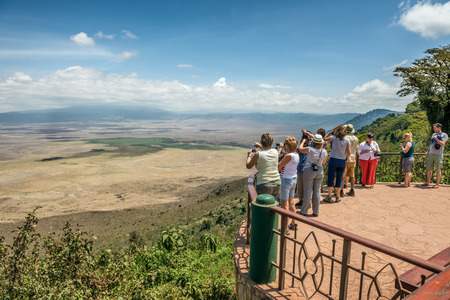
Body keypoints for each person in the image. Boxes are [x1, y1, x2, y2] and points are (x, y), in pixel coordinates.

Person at [298, 134, 328, 217]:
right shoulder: (324, 151)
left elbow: (300, 149)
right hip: (319, 171)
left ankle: (304, 211)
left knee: (308, 191)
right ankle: (316, 211)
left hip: (309, 170)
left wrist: (303, 141)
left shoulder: (310, 149)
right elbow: (324, 162)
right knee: (317, 192)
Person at [246, 133, 281, 198]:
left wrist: (249, 155)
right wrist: (259, 145)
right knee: (273, 206)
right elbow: (266, 150)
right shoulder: (275, 152)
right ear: (272, 143)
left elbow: (248, 166)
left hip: (264, 183)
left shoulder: (258, 154)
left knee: (262, 206)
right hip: (277, 183)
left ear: (261, 142)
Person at [278, 136, 299, 234]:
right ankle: (293, 223)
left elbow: (279, 166)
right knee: (291, 203)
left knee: (284, 205)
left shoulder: (288, 156)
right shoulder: (296, 155)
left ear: (287, 146)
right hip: (293, 179)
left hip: (285, 180)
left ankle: (285, 228)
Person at [323, 125, 350, 203]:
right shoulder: (347, 140)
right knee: (339, 178)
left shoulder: (334, 138)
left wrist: (331, 132)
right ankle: (338, 196)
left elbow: (324, 138)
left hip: (333, 159)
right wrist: (346, 158)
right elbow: (349, 152)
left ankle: (329, 196)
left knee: (331, 177)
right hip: (342, 161)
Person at [422, 123, 448, 188]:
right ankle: (428, 183)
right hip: (431, 153)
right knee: (428, 169)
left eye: (435, 127)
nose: (434, 129)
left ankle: (437, 184)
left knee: (438, 170)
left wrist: (437, 139)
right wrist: (427, 151)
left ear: (439, 127)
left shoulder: (444, 135)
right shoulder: (433, 134)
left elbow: (442, 144)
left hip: (438, 155)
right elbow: (431, 144)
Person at [295, 131, 312, 208]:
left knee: (307, 187)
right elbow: (297, 149)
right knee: (300, 187)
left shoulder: (311, 146)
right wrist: (303, 142)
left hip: (308, 170)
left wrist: (308, 135)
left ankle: (308, 201)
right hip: (300, 169)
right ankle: (301, 200)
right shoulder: (300, 146)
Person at [343, 124, 359, 197]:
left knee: (343, 175)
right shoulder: (356, 139)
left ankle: (341, 191)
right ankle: (352, 190)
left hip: (345, 158)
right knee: (352, 176)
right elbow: (356, 150)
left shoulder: (345, 138)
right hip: (353, 159)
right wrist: (355, 159)